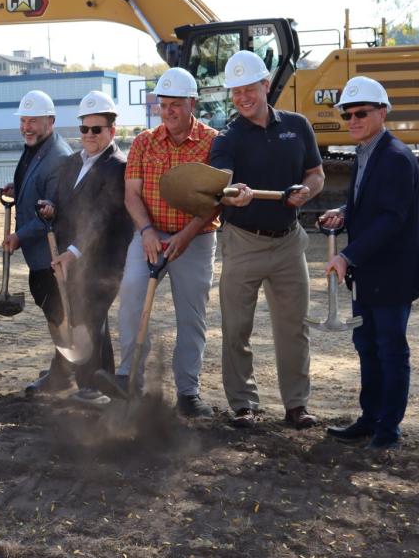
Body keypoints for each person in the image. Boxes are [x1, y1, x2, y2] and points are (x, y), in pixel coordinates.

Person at [211, 50, 325, 429]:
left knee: (294, 327)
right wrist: (233, 194)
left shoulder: (298, 126)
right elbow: (222, 184)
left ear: (265, 84)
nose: (242, 98)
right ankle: (244, 405)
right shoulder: (227, 138)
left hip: (289, 243)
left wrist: (307, 192)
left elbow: (316, 174)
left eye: (249, 89)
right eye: (235, 92)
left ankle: (297, 405)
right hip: (243, 242)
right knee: (236, 328)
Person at [319, 76, 419, 451]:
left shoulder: (396, 157)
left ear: (382, 112)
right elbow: (369, 203)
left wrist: (346, 255)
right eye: (347, 114)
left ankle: (388, 431)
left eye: (361, 113)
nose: (352, 120)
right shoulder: (366, 152)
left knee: (390, 350)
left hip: (392, 275)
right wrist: (344, 212)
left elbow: (391, 219)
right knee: (367, 345)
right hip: (368, 274)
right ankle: (369, 419)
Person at [108, 70, 221, 417]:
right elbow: (131, 195)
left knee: (192, 316)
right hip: (149, 235)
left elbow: (216, 199)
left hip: (196, 239)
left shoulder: (213, 142)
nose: (168, 111)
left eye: (176, 104)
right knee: (131, 296)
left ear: (192, 103)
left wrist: (186, 236)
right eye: (163, 104)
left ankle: (188, 393)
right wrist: (146, 232)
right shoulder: (144, 142)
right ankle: (129, 380)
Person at [33, 91, 132, 405]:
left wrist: (74, 252)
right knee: (84, 318)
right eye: (84, 128)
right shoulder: (72, 162)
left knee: (88, 319)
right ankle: (104, 386)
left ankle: (89, 387)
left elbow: (102, 218)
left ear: (112, 131)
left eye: (96, 129)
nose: (89, 135)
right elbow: (63, 202)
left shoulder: (118, 167)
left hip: (103, 262)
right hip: (70, 256)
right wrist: (51, 208)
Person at [1, 90, 72, 379]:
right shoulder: (37, 148)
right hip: (39, 257)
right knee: (53, 314)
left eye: (33, 121)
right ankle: (62, 367)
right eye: (23, 120)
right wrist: (18, 190)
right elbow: (37, 187)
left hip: (52, 256)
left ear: (50, 121)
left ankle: (65, 372)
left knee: (60, 315)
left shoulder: (59, 157)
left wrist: (19, 236)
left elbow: (53, 211)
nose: (26, 127)